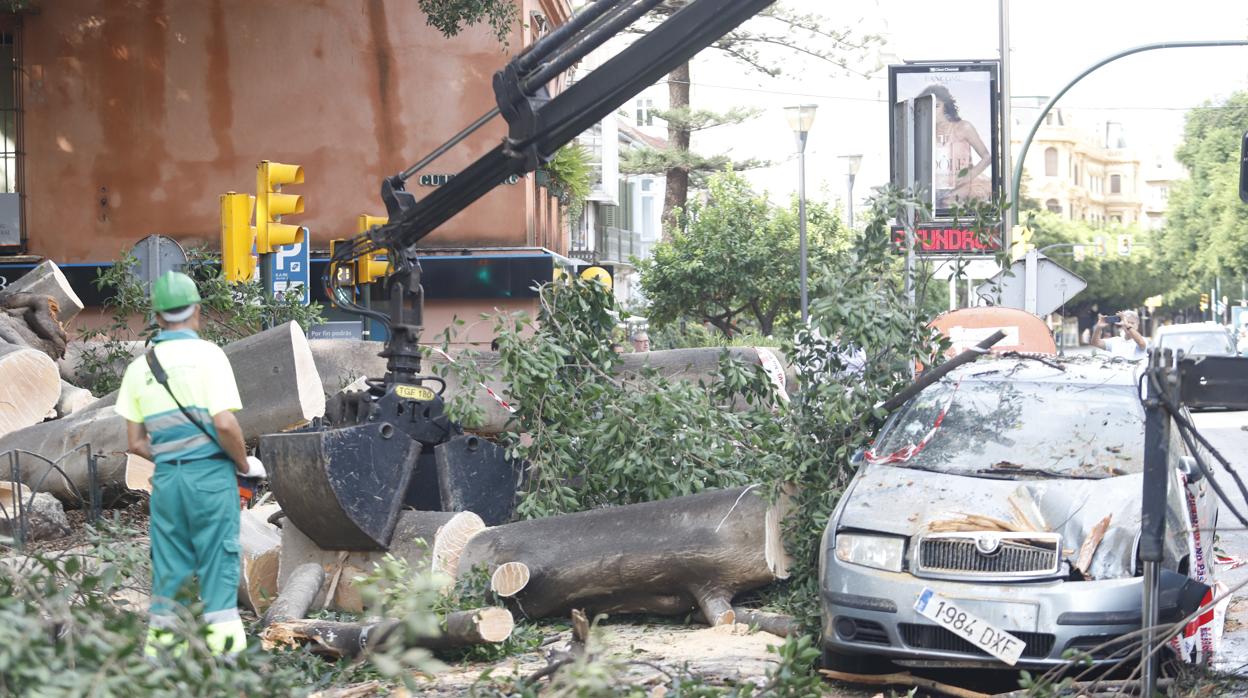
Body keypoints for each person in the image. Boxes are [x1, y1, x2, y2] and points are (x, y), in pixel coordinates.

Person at [114, 271, 264, 657]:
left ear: (157, 317)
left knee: (170, 575)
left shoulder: (139, 368)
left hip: (167, 482)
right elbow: (224, 423)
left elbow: (135, 443)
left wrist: (170, 456)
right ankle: (226, 663)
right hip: (211, 478)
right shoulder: (210, 357)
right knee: (218, 568)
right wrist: (243, 463)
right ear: (196, 310)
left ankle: (164, 667)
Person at [916, 84, 991, 209]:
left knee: (948, 205)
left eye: (937, 106)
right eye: (928, 107)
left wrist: (969, 176)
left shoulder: (963, 127)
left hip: (963, 186)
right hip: (934, 188)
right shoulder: (925, 132)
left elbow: (987, 157)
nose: (933, 111)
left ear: (946, 106)